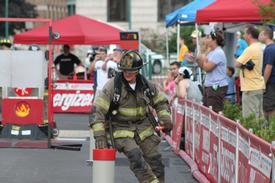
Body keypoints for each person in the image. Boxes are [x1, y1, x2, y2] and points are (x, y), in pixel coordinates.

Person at [90, 50, 172, 183]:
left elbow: (160, 102)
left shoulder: (146, 85)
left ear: (138, 70)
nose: (127, 73)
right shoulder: (112, 86)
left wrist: (166, 119)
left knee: (156, 161)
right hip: (120, 129)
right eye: (125, 70)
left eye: (131, 70)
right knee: (136, 157)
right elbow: (97, 111)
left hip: (143, 127)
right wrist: (99, 135)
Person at [235, 26, 265, 118]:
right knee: (259, 117)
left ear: (249, 35)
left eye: (245, 33)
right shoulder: (260, 46)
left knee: (250, 118)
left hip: (250, 88)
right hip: (258, 85)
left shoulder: (250, 49)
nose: (243, 36)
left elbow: (237, 64)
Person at [196, 30, 228, 113]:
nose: (206, 40)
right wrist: (199, 59)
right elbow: (202, 65)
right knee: (208, 112)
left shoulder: (218, 53)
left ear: (214, 40)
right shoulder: (211, 52)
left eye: (208, 38)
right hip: (210, 86)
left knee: (214, 113)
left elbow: (207, 68)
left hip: (217, 87)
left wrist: (202, 58)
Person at [259, 27, 275, 120]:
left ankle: (271, 130)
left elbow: (268, 67)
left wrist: (263, 83)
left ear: (265, 35)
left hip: (270, 82)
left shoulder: (269, 49)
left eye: (261, 34)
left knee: (269, 107)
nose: (259, 36)